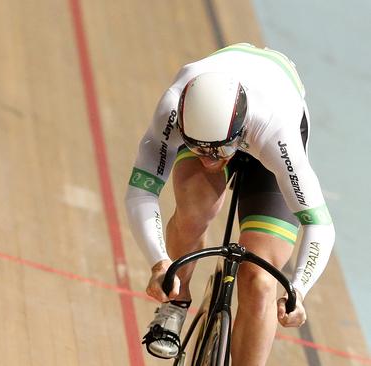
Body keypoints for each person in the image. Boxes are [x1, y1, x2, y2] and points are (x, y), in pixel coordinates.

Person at [124, 43, 335, 363]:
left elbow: (319, 223)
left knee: (260, 280)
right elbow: (141, 190)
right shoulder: (172, 107)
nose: (209, 161)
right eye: (198, 149)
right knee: (194, 209)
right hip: (220, 118)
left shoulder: (276, 130)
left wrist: (298, 288)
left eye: (218, 152)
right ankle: (175, 303)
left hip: (266, 142)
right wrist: (159, 262)